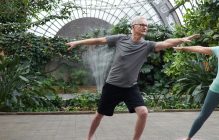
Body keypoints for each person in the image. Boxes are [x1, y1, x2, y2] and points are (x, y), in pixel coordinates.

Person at [66, 16, 199, 140]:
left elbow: (166, 43)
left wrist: (181, 39)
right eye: (142, 25)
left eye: (147, 26)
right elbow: (99, 40)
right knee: (99, 114)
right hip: (112, 85)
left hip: (130, 87)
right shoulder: (120, 39)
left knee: (143, 113)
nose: (145, 27)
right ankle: (89, 138)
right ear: (133, 26)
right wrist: (77, 42)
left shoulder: (147, 45)